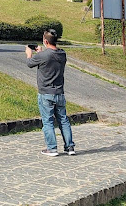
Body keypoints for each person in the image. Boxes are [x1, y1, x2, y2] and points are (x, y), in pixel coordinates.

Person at [25, 28, 75, 157]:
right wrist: (41, 52)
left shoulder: (43, 56)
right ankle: (70, 147)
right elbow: (49, 57)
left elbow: (30, 63)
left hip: (46, 93)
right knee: (63, 120)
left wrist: (29, 53)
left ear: (45, 41)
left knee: (48, 121)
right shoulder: (62, 54)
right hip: (59, 92)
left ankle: (52, 149)